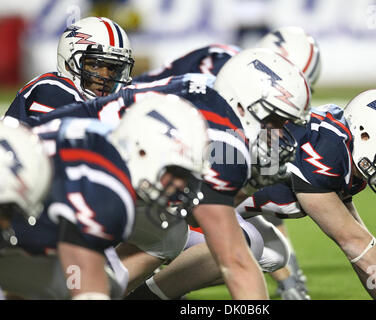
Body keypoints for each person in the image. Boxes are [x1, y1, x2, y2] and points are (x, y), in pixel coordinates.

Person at [30, 47, 311, 299]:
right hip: (56, 172)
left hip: (86, 166)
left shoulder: (211, 98)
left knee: (167, 234)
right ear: (242, 105)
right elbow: (234, 260)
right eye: (274, 120)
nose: (278, 135)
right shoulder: (225, 135)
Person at [126, 88, 376, 300]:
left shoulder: (341, 151)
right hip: (184, 199)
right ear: (366, 133)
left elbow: (359, 246)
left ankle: (151, 290)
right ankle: (141, 293)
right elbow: (352, 241)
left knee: (273, 251)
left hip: (210, 201)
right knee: (246, 244)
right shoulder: (329, 149)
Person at [131, 26, 321, 300]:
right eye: (279, 115)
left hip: (162, 158)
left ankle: (145, 289)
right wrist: (288, 277)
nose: (282, 127)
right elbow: (219, 192)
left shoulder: (232, 69)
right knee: (174, 232)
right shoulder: (228, 99)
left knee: (263, 246)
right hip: (144, 159)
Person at [0, 94, 211, 299]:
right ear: (142, 152)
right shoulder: (103, 184)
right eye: (176, 172)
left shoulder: (111, 166)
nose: (181, 185)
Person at [4, 16, 134, 123]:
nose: (106, 76)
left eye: (113, 68)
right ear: (68, 65)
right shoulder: (51, 90)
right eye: (95, 66)